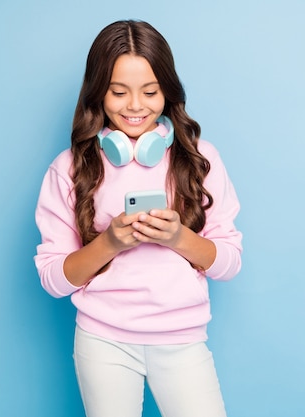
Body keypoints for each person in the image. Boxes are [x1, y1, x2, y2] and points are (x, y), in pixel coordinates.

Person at [34, 20, 242, 417]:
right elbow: (53, 280)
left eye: (150, 92)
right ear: (98, 92)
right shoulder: (69, 169)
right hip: (102, 341)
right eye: (118, 92)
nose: (135, 106)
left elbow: (230, 264)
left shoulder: (200, 159)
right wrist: (110, 243)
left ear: (168, 90)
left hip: (182, 339)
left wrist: (178, 238)